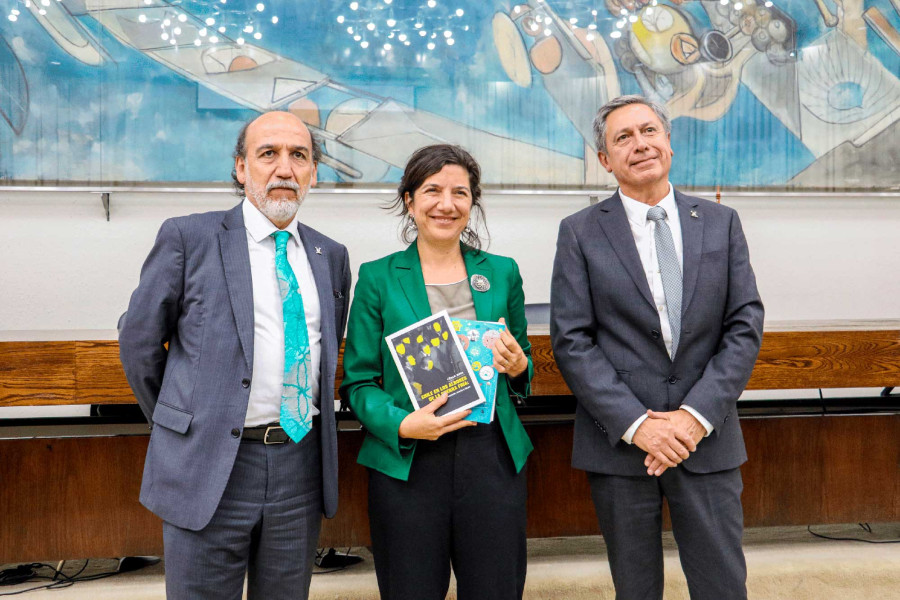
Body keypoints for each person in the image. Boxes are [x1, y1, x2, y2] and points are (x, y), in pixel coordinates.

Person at [119, 111, 351, 599]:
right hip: (210, 466)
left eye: (299, 156)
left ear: (313, 172)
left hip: (298, 468)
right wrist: (182, 420)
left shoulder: (331, 256)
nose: (284, 168)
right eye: (268, 154)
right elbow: (139, 342)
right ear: (241, 168)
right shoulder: (189, 237)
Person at [550, 95, 764, 599]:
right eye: (623, 137)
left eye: (649, 131)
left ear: (669, 142)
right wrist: (639, 425)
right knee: (636, 588)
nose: (640, 144)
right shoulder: (579, 232)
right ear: (605, 160)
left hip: (705, 439)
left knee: (722, 585)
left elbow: (744, 322)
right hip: (623, 449)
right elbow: (572, 339)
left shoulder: (720, 222)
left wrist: (694, 415)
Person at [340, 144, 533, 600]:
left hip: (491, 458)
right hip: (409, 463)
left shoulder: (502, 273)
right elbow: (359, 382)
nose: (446, 204)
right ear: (409, 200)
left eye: (460, 193)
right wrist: (404, 423)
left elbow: (522, 363)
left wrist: (518, 364)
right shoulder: (378, 277)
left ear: (472, 202)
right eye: (432, 191)